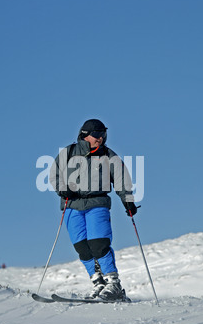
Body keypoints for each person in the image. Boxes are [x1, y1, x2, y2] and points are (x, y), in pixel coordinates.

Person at [50, 119, 138, 301]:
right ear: (85, 135)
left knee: (99, 243)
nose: (100, 138)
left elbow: (122, 178)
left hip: (97, 203)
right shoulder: (69, 152)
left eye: (103, 135)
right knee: (82, 247)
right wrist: (62, 188)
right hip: (72, 205)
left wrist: (128, 201)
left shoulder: (107, 155)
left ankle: (113, 284)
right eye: (97, 134)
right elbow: (54, 173)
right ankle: (99, 283)